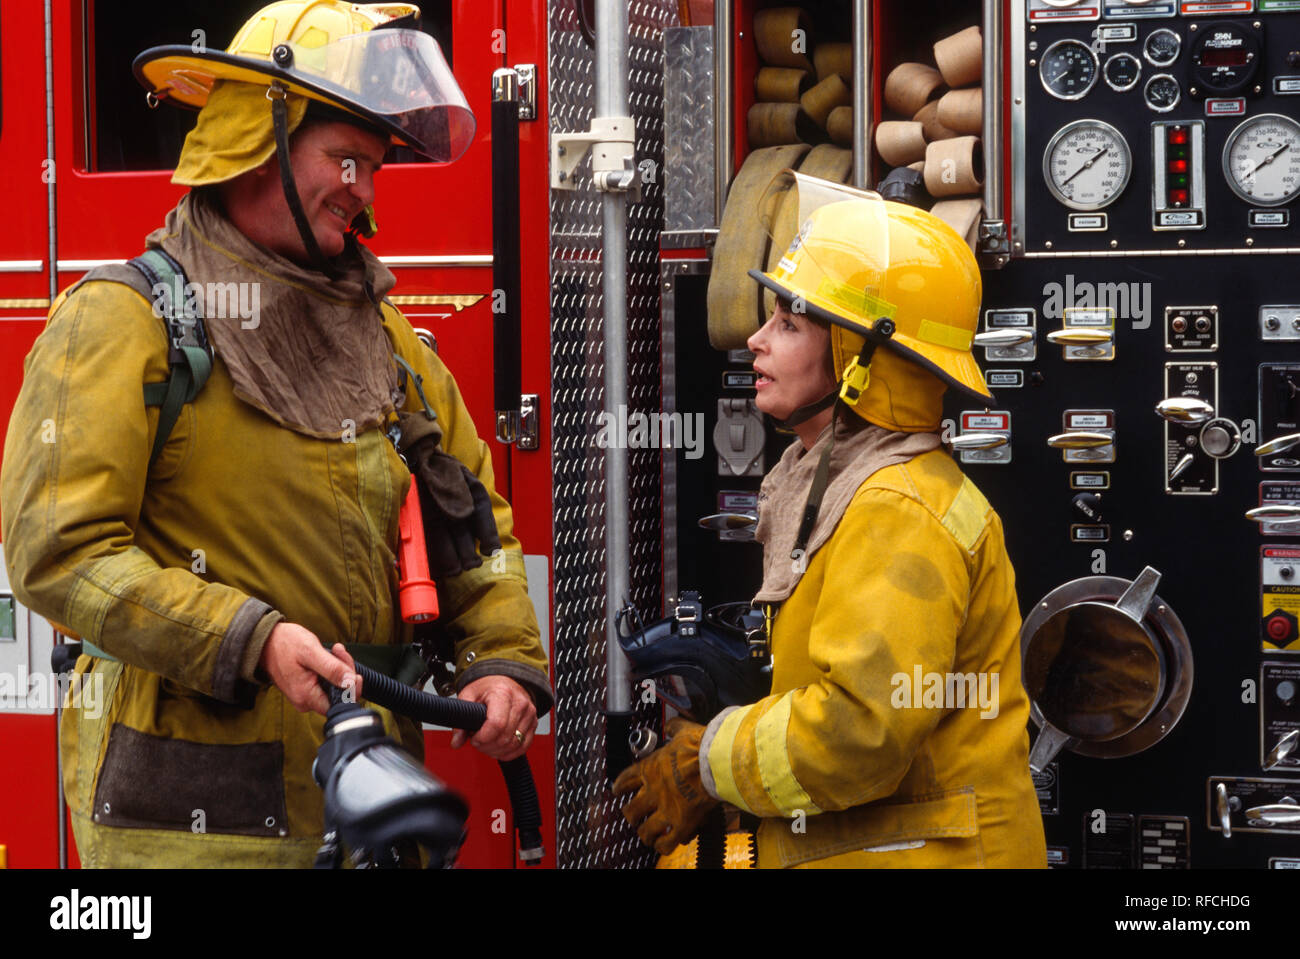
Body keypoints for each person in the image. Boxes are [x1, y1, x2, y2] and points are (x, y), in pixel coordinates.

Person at [0, 1, 550, 867]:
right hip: (189, 831)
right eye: (344, 159)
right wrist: (249, 638)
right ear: (257, 143)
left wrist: (504, 662)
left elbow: (476, 527)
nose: (364, 192)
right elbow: (56, 553)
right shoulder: (121, 323)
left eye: (373, 167)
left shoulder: (388, 338)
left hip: (365, 810)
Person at [614, 177, 1047, 867]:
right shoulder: (850, 481)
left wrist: (709, 760)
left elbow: (856, 734)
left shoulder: (895, 510)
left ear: (860, 357)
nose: (755, 339)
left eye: (789, 322)